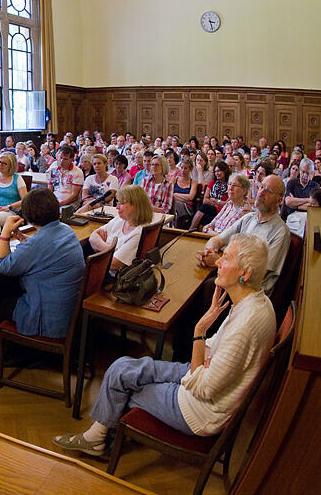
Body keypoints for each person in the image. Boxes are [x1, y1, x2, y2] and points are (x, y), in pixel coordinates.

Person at [53, 234, 276, 456]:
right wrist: (203, 363)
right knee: (121, 368)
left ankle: (96, 439)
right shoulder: (254, 301)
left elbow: (203, 387)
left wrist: (199, 331)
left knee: (122, 387)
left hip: (199, 411)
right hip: (201, 379)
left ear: (245, 274)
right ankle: (99, 436)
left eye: (225, 259)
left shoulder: (246, 322)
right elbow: (211, 350)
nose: (217, 261)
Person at [0, 188, 86, 339]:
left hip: (48, 318)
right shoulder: (65, 229)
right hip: (68, 310)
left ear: (28, 215)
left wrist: (5, 233)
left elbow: (1, 265)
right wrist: (23, 239)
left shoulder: (37, 245)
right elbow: (45, 249)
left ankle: (19, 351)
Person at [198, 174, 290, 295]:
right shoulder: (248, 218)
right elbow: (217, 240)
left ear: (279, 200)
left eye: (268, 190)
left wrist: (220, 262)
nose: (261, 192)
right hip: (232, 277)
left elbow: (258, 274)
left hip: (249, 292)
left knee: (206, 287)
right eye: (261, 187)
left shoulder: (280, 231)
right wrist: (209, 251)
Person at [88, 184, 154, 272]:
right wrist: (112, 249)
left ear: (136, 206)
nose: (117, 207)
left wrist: (100, 247)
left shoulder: (138, 233)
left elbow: (113, 264)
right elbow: (93, 237)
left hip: (111, 278)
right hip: (101, 268)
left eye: (122, 203)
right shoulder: (120, 219)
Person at [191, 160, 231, 229]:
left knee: (205, 207)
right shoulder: (213, 182)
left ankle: (190, 230)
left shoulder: (230, 184)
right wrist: (218, 202)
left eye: (218, 171)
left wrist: (215, 200)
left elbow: (227, 203)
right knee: (206, 215)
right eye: (215, 172)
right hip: (211, 208)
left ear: (225, 171)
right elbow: (205, 200)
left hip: (223, 210)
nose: (216, 173)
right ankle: (198, 234)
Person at [47, 144, 84, 210]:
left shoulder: (77, 172)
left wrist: (59, 204)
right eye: (60, 158)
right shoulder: (53, 169)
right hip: (55, 201)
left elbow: (75, 196)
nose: (62, 161)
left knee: (60, 211)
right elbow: (50, 190)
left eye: (65, 159)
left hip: (70, 204)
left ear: (72, 160)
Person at [171, 159, 199, 224]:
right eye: (182, 168)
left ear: (190, 169)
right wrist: (186, 200)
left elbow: (191, 197)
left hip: (187, 208)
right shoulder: (175, 180)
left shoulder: (194, 182)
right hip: (174, 206)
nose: (183, 170)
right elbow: (170, 195)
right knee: (175, 204)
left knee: (177, 204)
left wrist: (176, 194)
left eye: (185, 168)